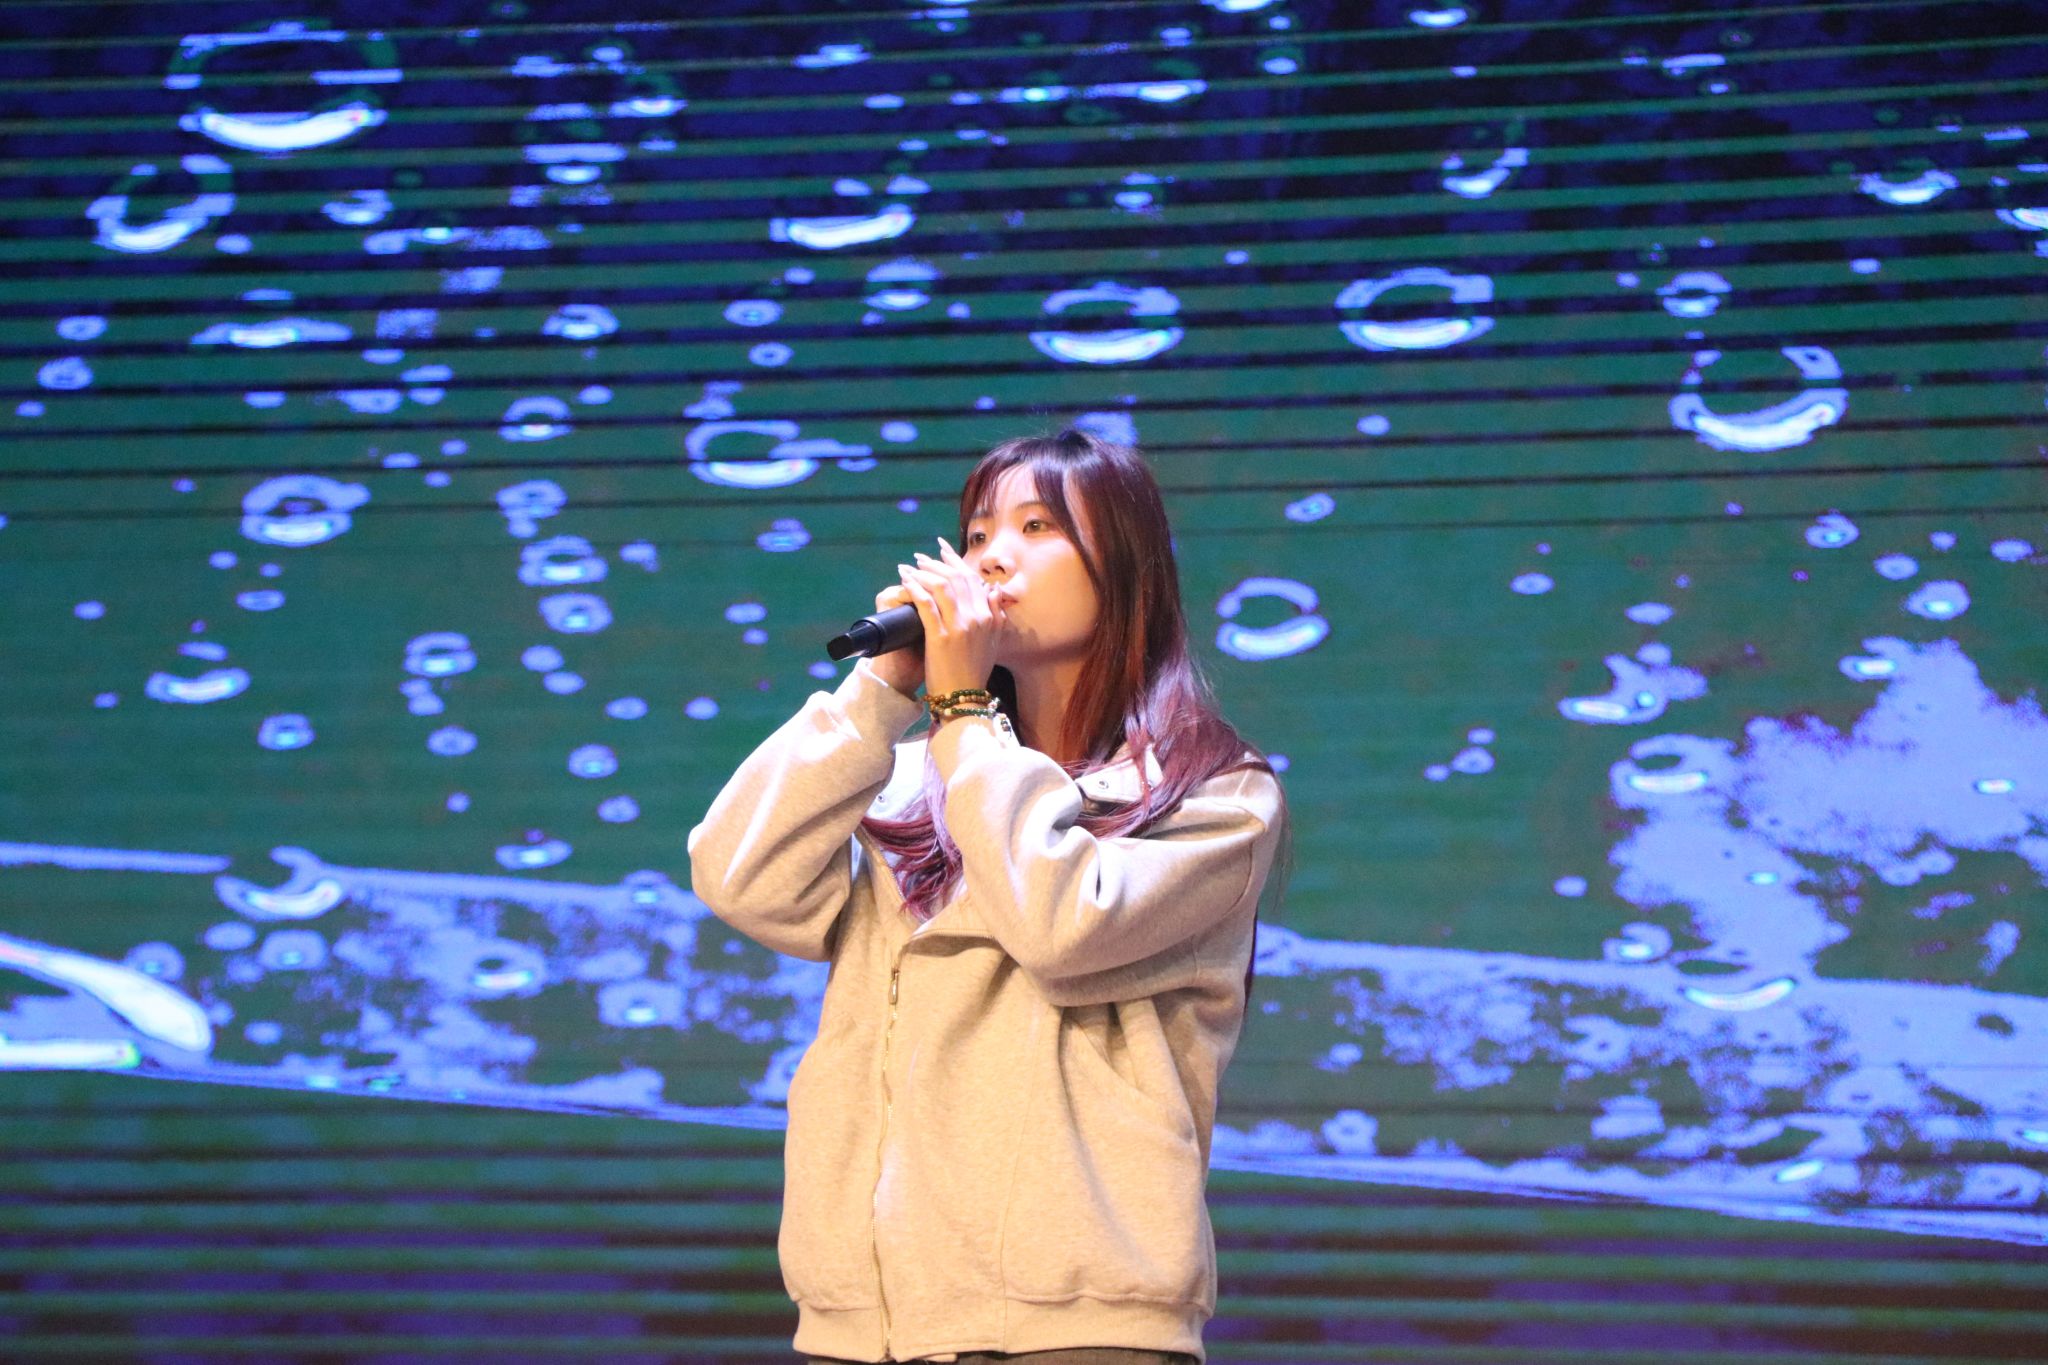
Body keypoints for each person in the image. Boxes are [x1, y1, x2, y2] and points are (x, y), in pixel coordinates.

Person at [687, 428, 1292, 1364]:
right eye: (976, 535)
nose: (990, 558)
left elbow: (1060, 923)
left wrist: (965, 712)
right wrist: (880, 691)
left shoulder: (1212, 794)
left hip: (1074, 1325)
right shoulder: (910, 781)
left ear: (1124, 565)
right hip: (864, 1329)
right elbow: (739, 876)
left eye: (1037, 526)